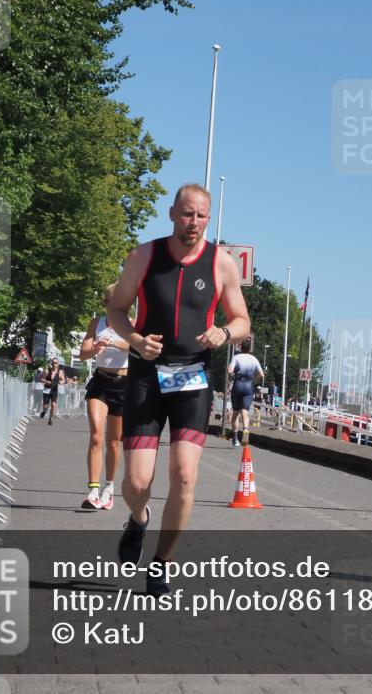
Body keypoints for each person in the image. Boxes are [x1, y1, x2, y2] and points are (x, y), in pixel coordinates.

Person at [108, 182, 250, 597]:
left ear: (209, 218)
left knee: (185, 475)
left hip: (193, 379)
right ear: (172, 214)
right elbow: (116, 309)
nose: (194, 222)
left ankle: (161, 563)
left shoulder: (221, 263)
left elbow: (242, 320)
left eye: (201, 215)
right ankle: (138, 519)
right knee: (137, 484)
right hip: (146, 377)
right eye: (187, 213)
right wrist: (135, 340)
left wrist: (224, 333)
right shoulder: (144, 256)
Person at [78, 284, 130, 510]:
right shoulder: (96, 323)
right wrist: (95, 347)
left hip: (123, 384)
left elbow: (136, 346)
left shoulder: (132, 323)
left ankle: (109, 488)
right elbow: (83, 354)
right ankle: (93, 490)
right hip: (100, 381)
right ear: (106, 303)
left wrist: (115, 343)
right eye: (114, 302)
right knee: (97, 435)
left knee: (114, 443)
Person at [228, 338, 263, 446]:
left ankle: (235, 438)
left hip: (238, 384)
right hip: (249, 385)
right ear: (249, 348)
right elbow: (261, 374)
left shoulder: (236, 357)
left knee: (235, 413)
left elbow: (230, 371)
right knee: (245, 411)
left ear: (240, 347)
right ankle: (246, 429)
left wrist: (231, 380)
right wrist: (254, 380)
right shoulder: (254, 359)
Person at [42, 358, 66, 426]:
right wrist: (46, 381)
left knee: (53, 405)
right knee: (45, 406)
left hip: (54, 390)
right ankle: (44, 411)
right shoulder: (47, 371)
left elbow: (63, 380)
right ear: (51, 363)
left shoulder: (60, 372)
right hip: (47, 389)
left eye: (56, 363)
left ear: (58, 364)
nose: (54, 364)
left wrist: (60, 382)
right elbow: (42, 379)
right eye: (53, 362)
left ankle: (50, 418)